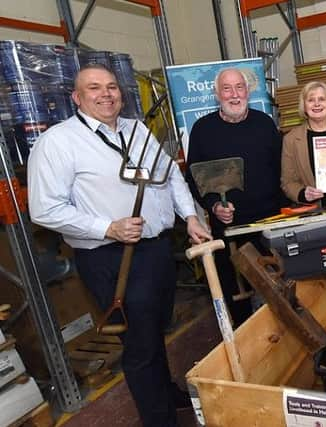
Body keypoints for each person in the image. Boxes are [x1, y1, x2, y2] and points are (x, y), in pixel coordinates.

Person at [27, 63, 211, 427]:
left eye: (112, 86)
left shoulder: (136, 129)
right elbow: (44, 209)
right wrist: (107, 227)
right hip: (112, 257)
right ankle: (159, 419)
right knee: (139, 345)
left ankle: (164, 392)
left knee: (156, 327)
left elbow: (170, 175)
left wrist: (189, 216)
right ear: (77, 98)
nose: (106, 94)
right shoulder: (58, 142)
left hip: (156, 249)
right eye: (94, 88)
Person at [185, 67, 284, 325]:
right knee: (237, 300)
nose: (234, 95)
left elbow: (282, 171)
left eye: (239, 87)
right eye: (227, 89)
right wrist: (214, 205)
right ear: (217, 94)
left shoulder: (264, 124)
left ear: (248, 91)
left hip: (269, 227)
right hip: (229, 231)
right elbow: (194, 179)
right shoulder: (202, 130)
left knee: (279, 294)